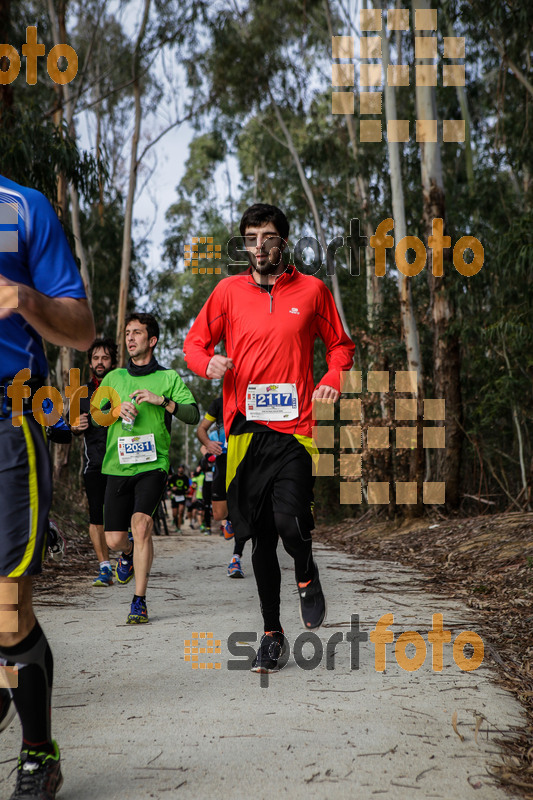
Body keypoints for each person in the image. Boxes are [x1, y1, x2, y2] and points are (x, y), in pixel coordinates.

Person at [184, 202, 354, 673]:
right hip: (243, 432)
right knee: (259, 538)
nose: (259, 246)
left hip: (295, 429)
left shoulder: (313, 291)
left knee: (291, 525)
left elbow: (341, 347)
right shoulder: (227, 292)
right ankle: (272, 633)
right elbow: (194, 344)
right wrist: (207, 363)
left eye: (268, 237)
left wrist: (332, 379)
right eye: (250, 238)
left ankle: (305, 569)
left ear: (284, 240)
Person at [0, 173, 95, 798]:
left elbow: (83, 328)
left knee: (8, 615)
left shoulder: (22, 207)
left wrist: (25, 300)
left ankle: (39, 753)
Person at [98, 312, 199, 624]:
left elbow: (193, 415)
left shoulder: (168, 379)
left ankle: (139, 600)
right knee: (114, 539)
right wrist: (115, 409)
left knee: (141, 524)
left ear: (152, 340)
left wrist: (163, 401)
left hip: (153, 464)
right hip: (118, 464)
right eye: (127, 332)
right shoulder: (114, 378)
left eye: (137, 333)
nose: (130, 338)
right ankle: (127, 554)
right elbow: (97, 413)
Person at [71, 337, 117, 586]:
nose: (100, 362)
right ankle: (105, 567)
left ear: (113, 361)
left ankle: (128, 556)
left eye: (105, 358)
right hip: (95, 464)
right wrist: (76, 427)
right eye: (96, 358)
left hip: (123, 463)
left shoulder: (122, 386)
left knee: (124, 515)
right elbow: (72, 426)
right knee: (96, 517)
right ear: (90, 362)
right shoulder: (82, 393)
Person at [197, 396, 245, 577]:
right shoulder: (218, 402)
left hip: (244, 460)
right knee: (219, 514)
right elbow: (201, 429)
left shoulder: (252, 394)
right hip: (223, 460)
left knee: (242, 509)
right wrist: (208, 445)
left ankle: (236, 559)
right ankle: (231, 519)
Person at [167, 465, 190, 532]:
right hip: (174, 496)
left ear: (183, 469)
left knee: (180, 512)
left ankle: (179, 527)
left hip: (182, 496)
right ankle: (176, 525)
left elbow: (187, 487)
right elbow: (169, 485)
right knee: (174, 514)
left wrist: (186, 490)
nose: (181, 469)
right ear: (178, 469)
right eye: (179, 468)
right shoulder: (174, 477)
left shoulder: (185, 478)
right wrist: (172, 488)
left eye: (182, 468)